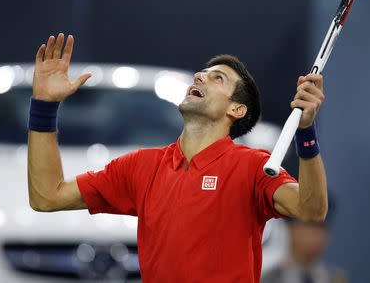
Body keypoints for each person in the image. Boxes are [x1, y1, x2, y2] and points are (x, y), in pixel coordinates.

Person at [27, 33, 328, 282]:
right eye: (202, 73)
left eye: (217, 78)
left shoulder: (252, 167)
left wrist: (305, 131)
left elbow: (312, 210)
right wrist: (44, 106)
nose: (200, 76)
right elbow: (47, 197)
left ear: (236, 110)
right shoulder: (139, 167)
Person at [261, 196, 347, 283]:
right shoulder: (269, 279)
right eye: (309, 226)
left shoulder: (335, 279)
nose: (316, 234)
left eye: (321, 227)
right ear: (291, 229)